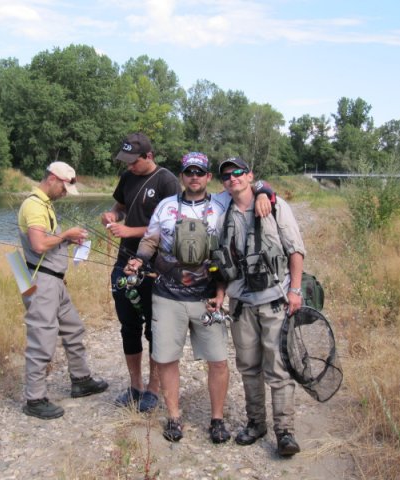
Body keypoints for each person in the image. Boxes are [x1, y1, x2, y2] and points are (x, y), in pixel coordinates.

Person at [125, 152, 273, 444]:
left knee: (218, 360)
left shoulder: (222, 202)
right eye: (188, 172)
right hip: (167, 295)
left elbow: (251, 184)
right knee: (167, 359)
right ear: (182, 176)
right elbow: (151, 239)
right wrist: (139, 260)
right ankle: (174, 418)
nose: (194, 177)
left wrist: (264, 194)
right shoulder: (166, 206)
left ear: (208, 178)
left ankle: (217, 420)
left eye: (200, 172)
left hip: (209, 298)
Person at [211, 157, 305, 456]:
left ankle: (285, 432)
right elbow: (222, 260)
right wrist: (220, 294)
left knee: (278, 367)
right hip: (240, 304)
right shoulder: (221, 210)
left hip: (275, 299)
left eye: (238, 172)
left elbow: (295, 249)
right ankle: (256, 423)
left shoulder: (274, 205)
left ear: (249, 175)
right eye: (226, 175)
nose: (233, 178)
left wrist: (295, 290)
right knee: (249, 367)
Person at [18, 161, 108, 420]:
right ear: (53, 179)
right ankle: (34, 399)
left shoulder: (44, 204)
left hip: (52, 280)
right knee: (42, 338)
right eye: (65, 188)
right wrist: (66, 234)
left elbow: (48, 243)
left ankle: (81, 380)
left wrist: (66, 240)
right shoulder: (35, 206)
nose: (65, 193)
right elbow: (38, 244)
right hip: (41, 282)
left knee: (73, 327)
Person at [101, 133, 180, 412]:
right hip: (124, 261)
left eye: (133, 162)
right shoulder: (127, 177)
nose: (129, 167)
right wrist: (112, 217)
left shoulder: (167, 180)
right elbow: (120, 206)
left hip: (156, 267)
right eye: (126, 162)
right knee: (129, 326)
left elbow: (171, 225)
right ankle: (134, 386)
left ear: (148, 156)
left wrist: (131, 231)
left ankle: (153, 389)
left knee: (155, 329)